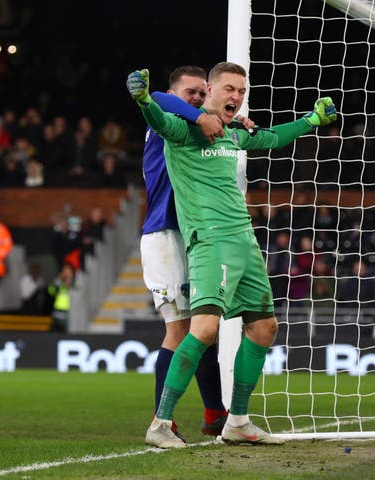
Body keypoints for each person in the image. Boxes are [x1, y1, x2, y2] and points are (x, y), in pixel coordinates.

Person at [127, 62, 337, 447]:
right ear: (209, 90)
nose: (236, 96)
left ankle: (233, 419)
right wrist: (142, 99)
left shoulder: (233, 133)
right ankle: (161, 422)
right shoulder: (181, 130)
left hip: (245, 241)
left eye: (241, 90)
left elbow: (272, 139)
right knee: (196, 330)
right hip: (200, 239)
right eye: (229, 89)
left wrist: (311, 120)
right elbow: (159, 109)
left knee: (264, 327)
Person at [139, 65, 248, 441]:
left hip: (194, 236)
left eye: (204, 93)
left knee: (206, 329)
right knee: (180, 328)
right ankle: (161, 421)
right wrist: (203, 115)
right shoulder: (165, 119)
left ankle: (214, 412)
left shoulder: (202, 128)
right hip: (165, 236)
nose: (199, 100)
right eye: (192, 94)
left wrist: (227, 121)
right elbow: (157, 98)